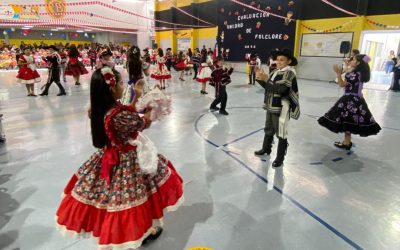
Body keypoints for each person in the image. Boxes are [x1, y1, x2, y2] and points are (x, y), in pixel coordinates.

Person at [56, 66, 184, 249]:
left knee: (114, 199)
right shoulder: (118, 115)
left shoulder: (99, 109)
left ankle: (133, 231)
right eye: (121, 83)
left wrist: (138, 94)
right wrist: (154, 104)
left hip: (108, 156)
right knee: (135, 196)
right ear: (111, 87)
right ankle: (139, 232)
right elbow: (142, 122)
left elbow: (125, 112)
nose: (124, 86)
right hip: (127, 159)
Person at [318, 54, 381, 150]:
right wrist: (348, 66)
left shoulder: (353, 74)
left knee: (346, 121)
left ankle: (346, 143)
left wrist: (338, 73)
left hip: (349, 100)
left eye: (353, 60)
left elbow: (341, 84)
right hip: (358, 99)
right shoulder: (360, 73)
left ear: (358, 63)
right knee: (349, 121)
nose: (351, 60)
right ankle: (347, 141)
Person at [254, 48, 300, 168]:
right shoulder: (274, 72)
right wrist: (259, 77)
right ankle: (266, 149)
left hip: (281, 108)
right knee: (268, 128)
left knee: (281, 133)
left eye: (282, 60)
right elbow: (269, 87)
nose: (278, 62)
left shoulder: (290, 73)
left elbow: (282, 90)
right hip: (270, 105)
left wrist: (266, 79)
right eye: (277, 60)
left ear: (289, 61)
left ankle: (280, 158)